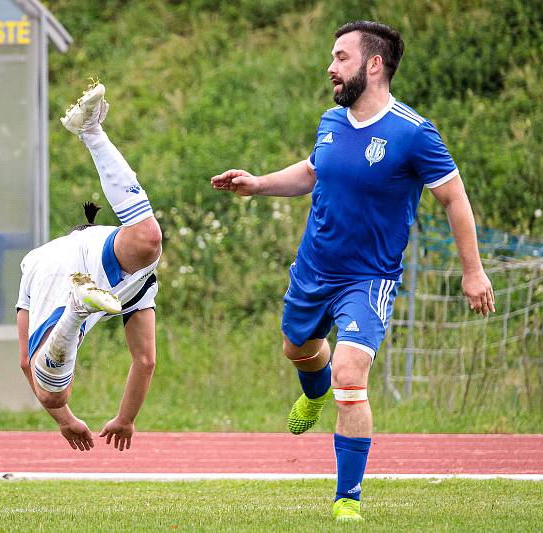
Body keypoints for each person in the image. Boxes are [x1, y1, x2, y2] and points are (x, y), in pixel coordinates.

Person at [211, 21, 494, 522]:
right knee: (296, 347)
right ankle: (313, 391)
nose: (331, 68)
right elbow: (312, 171)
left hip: (369, 278)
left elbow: (454, 197)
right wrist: (257, 184)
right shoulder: (330, 120)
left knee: (349, 374)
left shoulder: (413, 132)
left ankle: (348, 499)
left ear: (374, 64)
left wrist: (473, 273)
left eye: (341, 58)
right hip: (315, 266)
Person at [16, 83, 162, 452]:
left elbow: (24, 362)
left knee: (50, 392)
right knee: (146, 241)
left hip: (52, 263)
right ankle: (77, 310)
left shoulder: (39, 258)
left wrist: (65, 418)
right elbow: (144, 360)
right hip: (83, 260)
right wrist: (125, 418)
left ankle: (93, 132)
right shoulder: (144, 285)